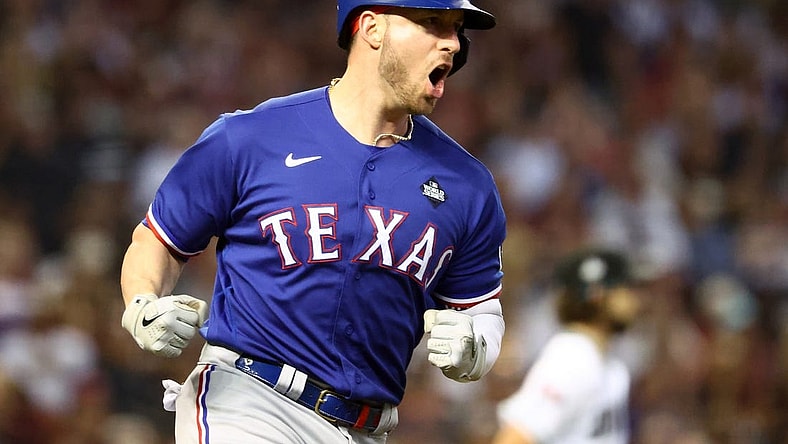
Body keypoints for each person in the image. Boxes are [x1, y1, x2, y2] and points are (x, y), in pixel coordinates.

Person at [118, 1, 506, 443]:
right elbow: (159, 239)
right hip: (248, 402)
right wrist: (142, 304)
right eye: (433, 23)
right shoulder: (250, 137)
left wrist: (476, 347)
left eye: (456, 29)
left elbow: (481, 311)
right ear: (372, 28)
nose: (453, 44)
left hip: (367, 427)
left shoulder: (466, 183)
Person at [492, 249, 640, 444]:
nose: (636, 299)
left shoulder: (605, 361)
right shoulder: (572, 358)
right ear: (597, 294)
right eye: (625, 288)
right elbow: (513, 438)